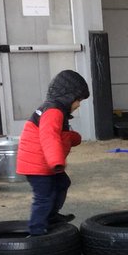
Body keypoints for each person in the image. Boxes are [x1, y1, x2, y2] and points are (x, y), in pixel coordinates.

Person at [16, 69, 90, 236]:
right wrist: (56, 161)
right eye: (78, 100)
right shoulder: (53, 111)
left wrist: (73, 138)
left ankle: (51, 216)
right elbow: (49, 137)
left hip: (46, 164)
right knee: (44, 196)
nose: (78, 105)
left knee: (62, 183)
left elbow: (59, 135)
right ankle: (36, 231)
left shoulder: (57, 111)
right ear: (68, 96)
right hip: (39, 166)